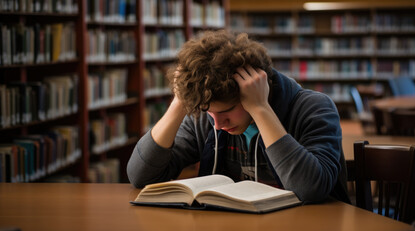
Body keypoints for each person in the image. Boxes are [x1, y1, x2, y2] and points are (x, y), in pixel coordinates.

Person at [127, 30, 350, 203]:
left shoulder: (315, 108)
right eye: (209, 112)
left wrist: (261, 109)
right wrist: (180, 102)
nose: (217, 124)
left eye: (226, 112)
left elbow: (311, 189)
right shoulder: (208, 116)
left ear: (256, 90)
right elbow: (140, 176)